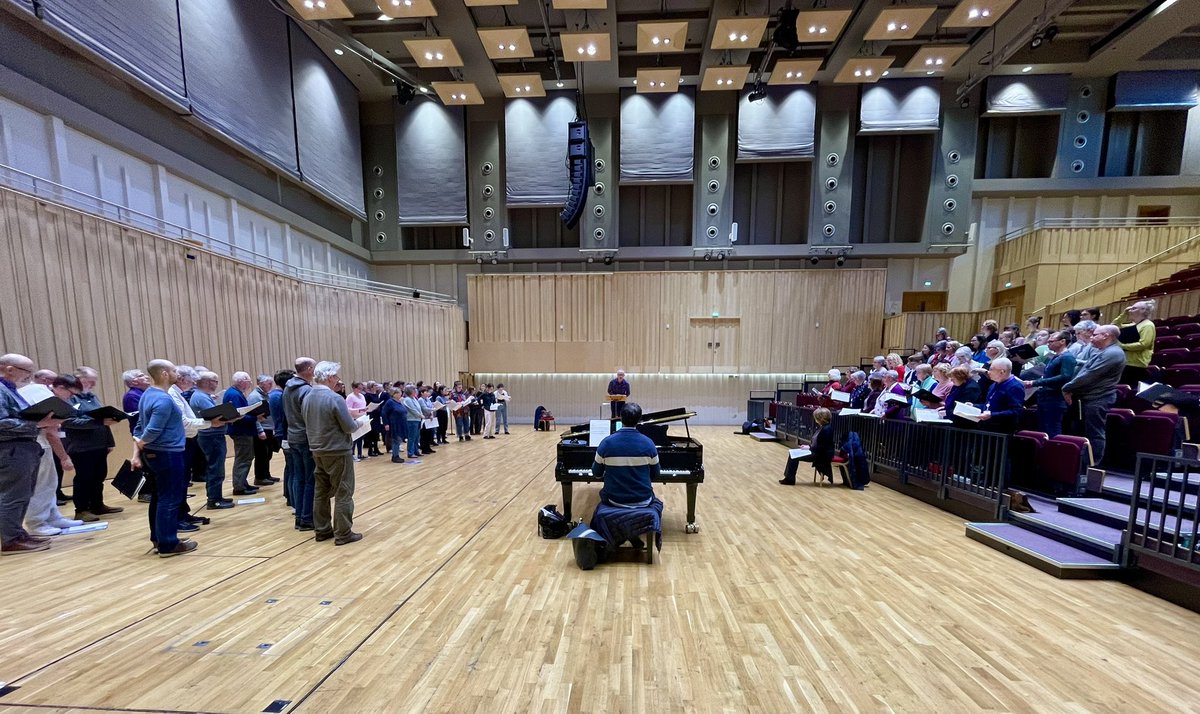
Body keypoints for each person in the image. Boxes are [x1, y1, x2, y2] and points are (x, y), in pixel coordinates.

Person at [132, 360, 196, 557]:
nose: (178, 373)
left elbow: (139, 427)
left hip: (155, 453)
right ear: (165, 373)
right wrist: (141, 443)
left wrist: (138, 448)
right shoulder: (164, 399)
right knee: (170, 498)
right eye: (174, 370)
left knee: (160, 497)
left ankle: (159, 538)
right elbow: (151, 430)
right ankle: (168, 543)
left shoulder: (147, 395)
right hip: (167, 453)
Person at [0, 354, 61, 555]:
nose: (30, 376)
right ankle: (10, 539)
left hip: (22, 447)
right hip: (11, 449)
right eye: (27, 371)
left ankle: (18, 534)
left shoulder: (9, 389)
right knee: (13, 495)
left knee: (22, 494)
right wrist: (37, 423)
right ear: (9, 369)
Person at [302, 361, 361, 546]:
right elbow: (349, 427)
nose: (337, 380)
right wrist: (360, 422)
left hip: (317, 449)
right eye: (336, 377)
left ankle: (322, 530)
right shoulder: (335, 398)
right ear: (328, 377)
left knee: (321, 491)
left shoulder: (307, 397)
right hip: (337, 450)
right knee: (344, 490)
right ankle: (343, 533)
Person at [590, 402, 662, 550]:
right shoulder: (649, 444)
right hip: (643, 500)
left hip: (614, 500)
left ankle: (617, 537)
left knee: (601, 501)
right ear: (640, 420)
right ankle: (632, 535)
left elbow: (596, 473)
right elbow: (656, 474)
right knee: (657, 502)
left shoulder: (606, 443)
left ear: (620, 418)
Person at [19, 372, 82, 536]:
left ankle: (53, 516)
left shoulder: (45, 393)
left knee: (50, 483)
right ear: (60, 387)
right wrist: (64, 457)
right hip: (36, 444)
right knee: (39, 485)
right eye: (70, 394)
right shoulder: (41, 395)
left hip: (41, 444)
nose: (69, 399)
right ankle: (36, 522)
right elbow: (51, 432)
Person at [62, 367, 122, 521]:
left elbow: (103, 420)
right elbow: (69, 422)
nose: (94, 384)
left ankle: (97, 505)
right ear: (79, 379)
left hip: (99, 444)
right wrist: (98, 422)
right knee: (84, 478)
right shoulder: (70, 398)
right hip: (81, 446)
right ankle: (81, 509)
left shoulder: (91, 396)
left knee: (99, 476)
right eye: (91, 381)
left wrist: (110, 441)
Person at [1062, 325, 1126, 464]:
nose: (1091, 338)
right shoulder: (1102, 350)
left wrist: (1067, 387)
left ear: (1106, 336)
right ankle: (1079, 464)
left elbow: (1091, 374)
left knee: (1094, 433)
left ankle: (1092, 465)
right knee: (1082, 431)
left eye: (1095, 335)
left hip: (1098, 398)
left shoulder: (1113, 353)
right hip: (1087, 397)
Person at [283, 358, 317, 531]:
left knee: (298, 478)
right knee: (310, 479)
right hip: (305, 438)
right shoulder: (306, 390)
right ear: (309, 369)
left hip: (293, 436)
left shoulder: (287, 389)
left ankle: (299, 516)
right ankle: (307, 518)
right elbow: (310, 416)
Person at [1024, 330, 1077, 438]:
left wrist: (1036, 382)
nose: (1048, 343)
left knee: (1052, 430)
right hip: (1046, 396)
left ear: (1062, 341)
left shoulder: (1067, 357)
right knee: (1043, 430)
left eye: (1051, 341)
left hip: (1055, 398)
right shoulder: (1054, 356)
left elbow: (1065, 377)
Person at [224, 372, 266, 495]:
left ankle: (242, 483)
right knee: (243, 458)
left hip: (242, 431)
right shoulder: (235, 395)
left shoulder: (234, 393)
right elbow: (238, 416)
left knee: (245, 457)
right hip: (241, 431)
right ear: (242, 381)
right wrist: (255, 418)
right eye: (248, 380)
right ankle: (239, 486)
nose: (250, 383)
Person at [781, 408, 834, 485]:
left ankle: (790, 479)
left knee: (794, 456)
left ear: (820, 418)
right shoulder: (824, 427)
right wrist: (809, 446)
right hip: (817, 452)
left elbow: (822, 447)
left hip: (821, 455)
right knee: (792, 454)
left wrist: (809, 448)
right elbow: (818, 444)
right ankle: (789, 478)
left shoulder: (826, 429)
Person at [976, 358, 1025, 434]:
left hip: (1002, 430)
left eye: (991, 369)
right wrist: (974, 406)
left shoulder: (1015, 387)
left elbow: (1016, 411)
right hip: (987, 427)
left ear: (1002, 372)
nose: (988, 372)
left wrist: (992, 415)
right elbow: (989, 405)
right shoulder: (993, 384)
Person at [268, 370, 294, 507]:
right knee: (292, 467)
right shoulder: (280, 396)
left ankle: (288, 494)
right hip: (284, 433)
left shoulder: (274, 395)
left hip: (280, 432)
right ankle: (291, 496)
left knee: (289, 466)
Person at [248, 375, 279, 484]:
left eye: (271, 383)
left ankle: (266, 474)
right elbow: (254, 415)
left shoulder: (266, 395)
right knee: (261, 454)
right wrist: (260, 430)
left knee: (268, 454)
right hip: (262, 429)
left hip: (269, 428)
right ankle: (260, 477)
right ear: (261, 383)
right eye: (268, 383)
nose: (271, 385)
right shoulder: (255, 396)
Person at [1118, 299, 1157, 388]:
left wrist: (1122, 346)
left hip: (1137, 366)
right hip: (1125, 363)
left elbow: (1143, 344)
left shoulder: (1148, 325)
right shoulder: (1131, 324)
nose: (1130, 310)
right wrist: (1124, 314)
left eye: (1134, 308)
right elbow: (1114, 326)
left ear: (1143, 310)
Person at [380, 387, 407, 463]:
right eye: (398, 393)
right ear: (394, 394)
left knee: (399, 440)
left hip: (400, 423)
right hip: (394, 424)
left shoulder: (399, 401)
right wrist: (386, 424)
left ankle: (396, 454)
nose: (400, 394)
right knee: (396, 440)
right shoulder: (390, 402)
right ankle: (395, 456)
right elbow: (384, 413)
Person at [345, 382, 368, 461]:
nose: (361, 390)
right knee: (354, 438)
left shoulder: (362, 396)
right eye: (359, 388)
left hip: (362, 418)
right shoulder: (350, 397)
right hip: (354, 419)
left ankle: (360, 453)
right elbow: (348, 409)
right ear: (354, 388)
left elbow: (364, 406)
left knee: (361, 437)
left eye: (362, 388)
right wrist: (359, 410)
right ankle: (352, 454)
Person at [402, 385, 424, 459]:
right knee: (412, 437)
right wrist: (420, 415)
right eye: (414, 390)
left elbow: (418, 408)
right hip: (411, 420)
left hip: (417, 419)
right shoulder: (407, 399)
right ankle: (410, 452)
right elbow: (412, 409)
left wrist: (421, 415)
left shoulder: (414, 398)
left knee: (417, 437)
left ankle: (416, 450)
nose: (416, 391)